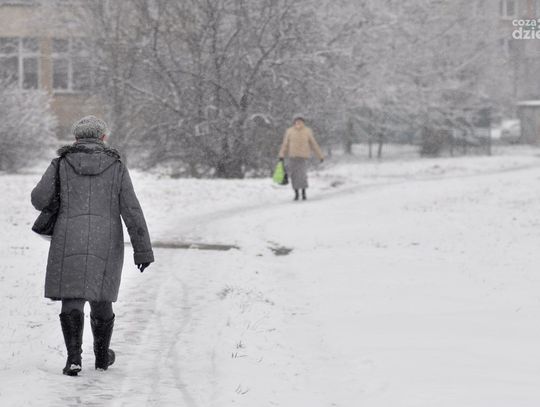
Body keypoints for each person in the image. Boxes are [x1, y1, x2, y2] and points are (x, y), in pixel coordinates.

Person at [31, 116, 154, 376]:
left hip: (68, 237)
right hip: (105, 240)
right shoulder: (116, 166)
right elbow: (131, 210)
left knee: (72, 296)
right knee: (101, 297)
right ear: (103, 137)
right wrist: (142, 250)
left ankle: (73, 359)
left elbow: (39, 199)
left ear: (76, 138)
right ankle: (101, 356)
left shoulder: (60, 163)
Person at [278, 115, 324, 200]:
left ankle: (299, 193)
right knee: (300, 176)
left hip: (297, 156)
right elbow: (313, 144)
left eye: (299, 121)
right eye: (297, 121)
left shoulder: (300, 131)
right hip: (299, 156)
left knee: (296, 176)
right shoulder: (294, 131)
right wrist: (320, 156)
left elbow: (285, 145)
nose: (298, 123)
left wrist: (281, 155)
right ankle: (301, 193)